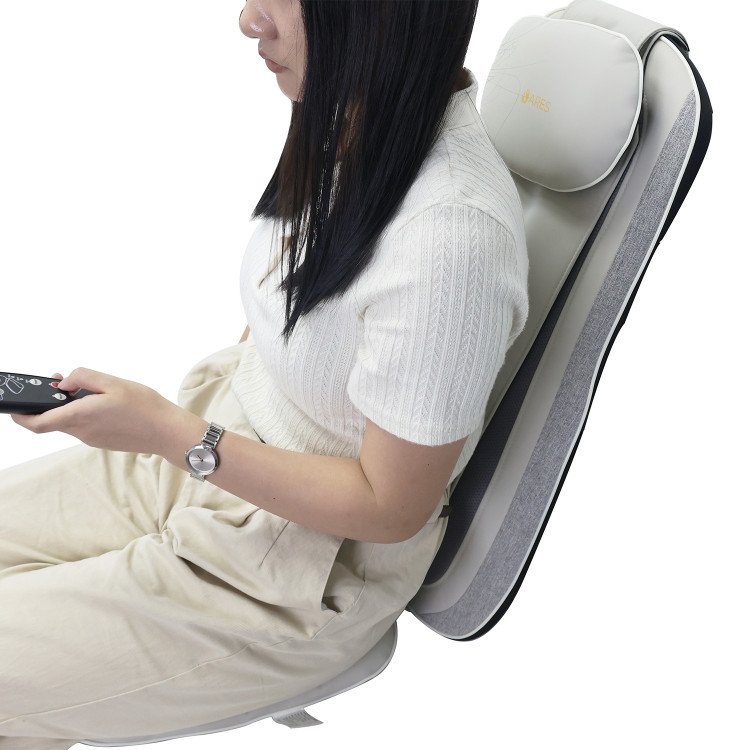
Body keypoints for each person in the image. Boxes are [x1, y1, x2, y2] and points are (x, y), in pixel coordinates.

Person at [0, 1, 528, 748]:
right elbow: (292, 309)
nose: (250, 19)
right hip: (217, 450)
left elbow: (390, 508)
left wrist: (169, 433)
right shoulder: (355, 123)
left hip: (286, 571)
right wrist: (180, 434)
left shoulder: (450, 238)